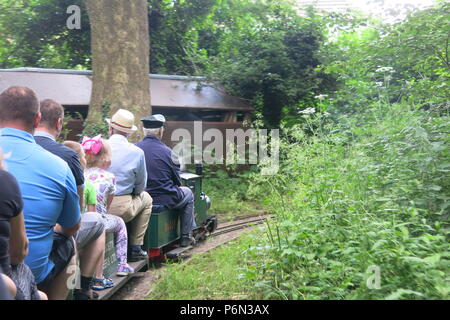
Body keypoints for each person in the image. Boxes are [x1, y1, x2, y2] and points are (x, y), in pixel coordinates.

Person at [0, 86, 80, 300]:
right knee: (70, 244)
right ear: (37, 120)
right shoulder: (60, 167)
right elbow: (71, 226)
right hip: (23, 272)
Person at [34, 99, 106, 299]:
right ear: (59, 123)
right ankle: (84, 287)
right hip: (51, 237)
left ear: (36, 119)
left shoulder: (8, 153)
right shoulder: (66, 156)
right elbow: (77, 212)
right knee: (96, 223)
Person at [136, 114, 196, 247]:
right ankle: (186, 236)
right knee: (188, 193)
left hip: (140, 200)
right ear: (160, 131)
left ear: (144, 131)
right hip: (163, 199)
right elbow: (177, 180)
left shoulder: (134, 149)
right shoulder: (169, 152)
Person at [63, 140, 115, 290]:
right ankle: (94, 279)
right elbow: (92, 214)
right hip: (71, 229)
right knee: (99, 224)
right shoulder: (87, 184)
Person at [83, 135, 135, 276]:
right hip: (100, 221)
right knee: (120, 223)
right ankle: (122, 264)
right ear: (106, 157)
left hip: (82, 221)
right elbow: (107, 205)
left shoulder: (81, 175)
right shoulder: (109, 177)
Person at [106, 109, 152, 261]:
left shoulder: (97, 146)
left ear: (110, 128)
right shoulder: (137, 152)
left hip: (94, 205)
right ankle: (136, 247)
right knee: (147, 199)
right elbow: (140, 186)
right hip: (121, 208)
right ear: (129, 133)